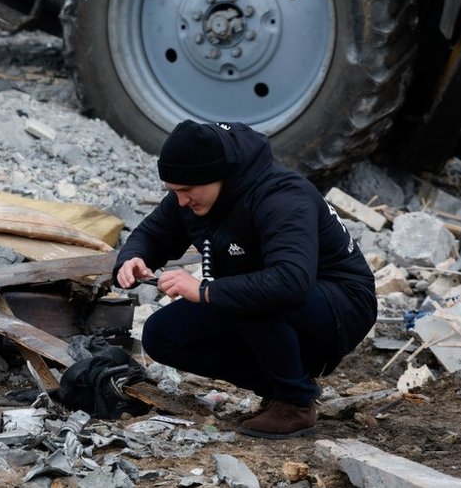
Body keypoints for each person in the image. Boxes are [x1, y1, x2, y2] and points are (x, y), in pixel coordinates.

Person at [114, 120, 376, 439]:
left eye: (186, 191)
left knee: (250, 295)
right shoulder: (195, 193)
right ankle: (285, 387)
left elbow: (290, 281)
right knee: (162, 335)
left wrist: (203, 290)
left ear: (218, 175)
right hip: (269, 300)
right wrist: (133, 258)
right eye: (174, 191)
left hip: (340, 305)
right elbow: (152, 233)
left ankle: (296, 405)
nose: (181, 200)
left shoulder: (281, 195)